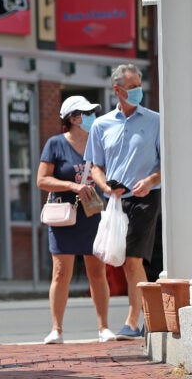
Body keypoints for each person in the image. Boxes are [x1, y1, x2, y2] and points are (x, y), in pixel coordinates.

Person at [85, 64, 161, 340]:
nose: (139, 91)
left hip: (146, 198)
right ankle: (147, 316)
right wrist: (105, 187)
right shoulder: (102, 125)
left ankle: (134, 321)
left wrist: (151, 181)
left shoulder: (155, 121)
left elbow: (168, 163)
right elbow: (95, 167)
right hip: (114, 202)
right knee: (117, 260)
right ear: (117, 90)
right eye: (133, 87)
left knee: (132, 259)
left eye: (140, 85)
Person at [37, 96, 115, 345]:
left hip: (93, 214)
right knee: (61, 273)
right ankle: (56, 329)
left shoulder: (99, 142)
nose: (92, 116)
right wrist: (72, 185)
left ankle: (104, 328)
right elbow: (42, 180)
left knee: (97, 272)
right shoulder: (55, 144)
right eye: (87, 112)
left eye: (93, 112)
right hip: (64, 216)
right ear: (73, 118)